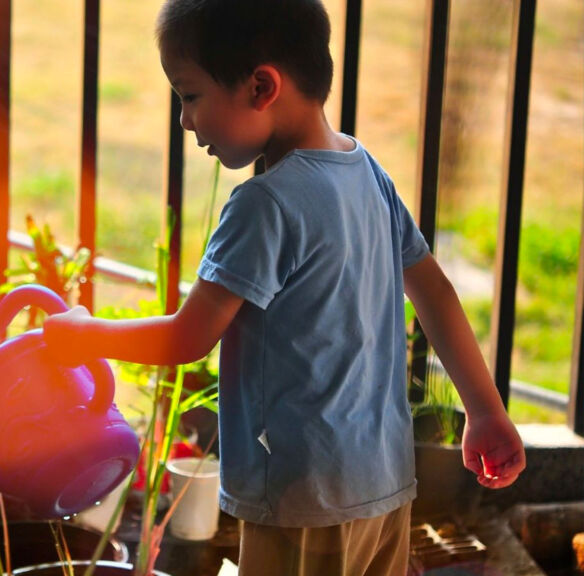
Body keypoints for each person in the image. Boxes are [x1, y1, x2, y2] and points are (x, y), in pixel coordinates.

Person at [42, 0, 526, 574]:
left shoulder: (264, 205)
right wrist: (485, 410)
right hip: (385, 487)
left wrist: (84, 335)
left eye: (190, 95)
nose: (185, 121)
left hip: (304, 502)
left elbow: (185, 339)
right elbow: (436, 294)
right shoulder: (368, 173)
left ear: (260, 86)